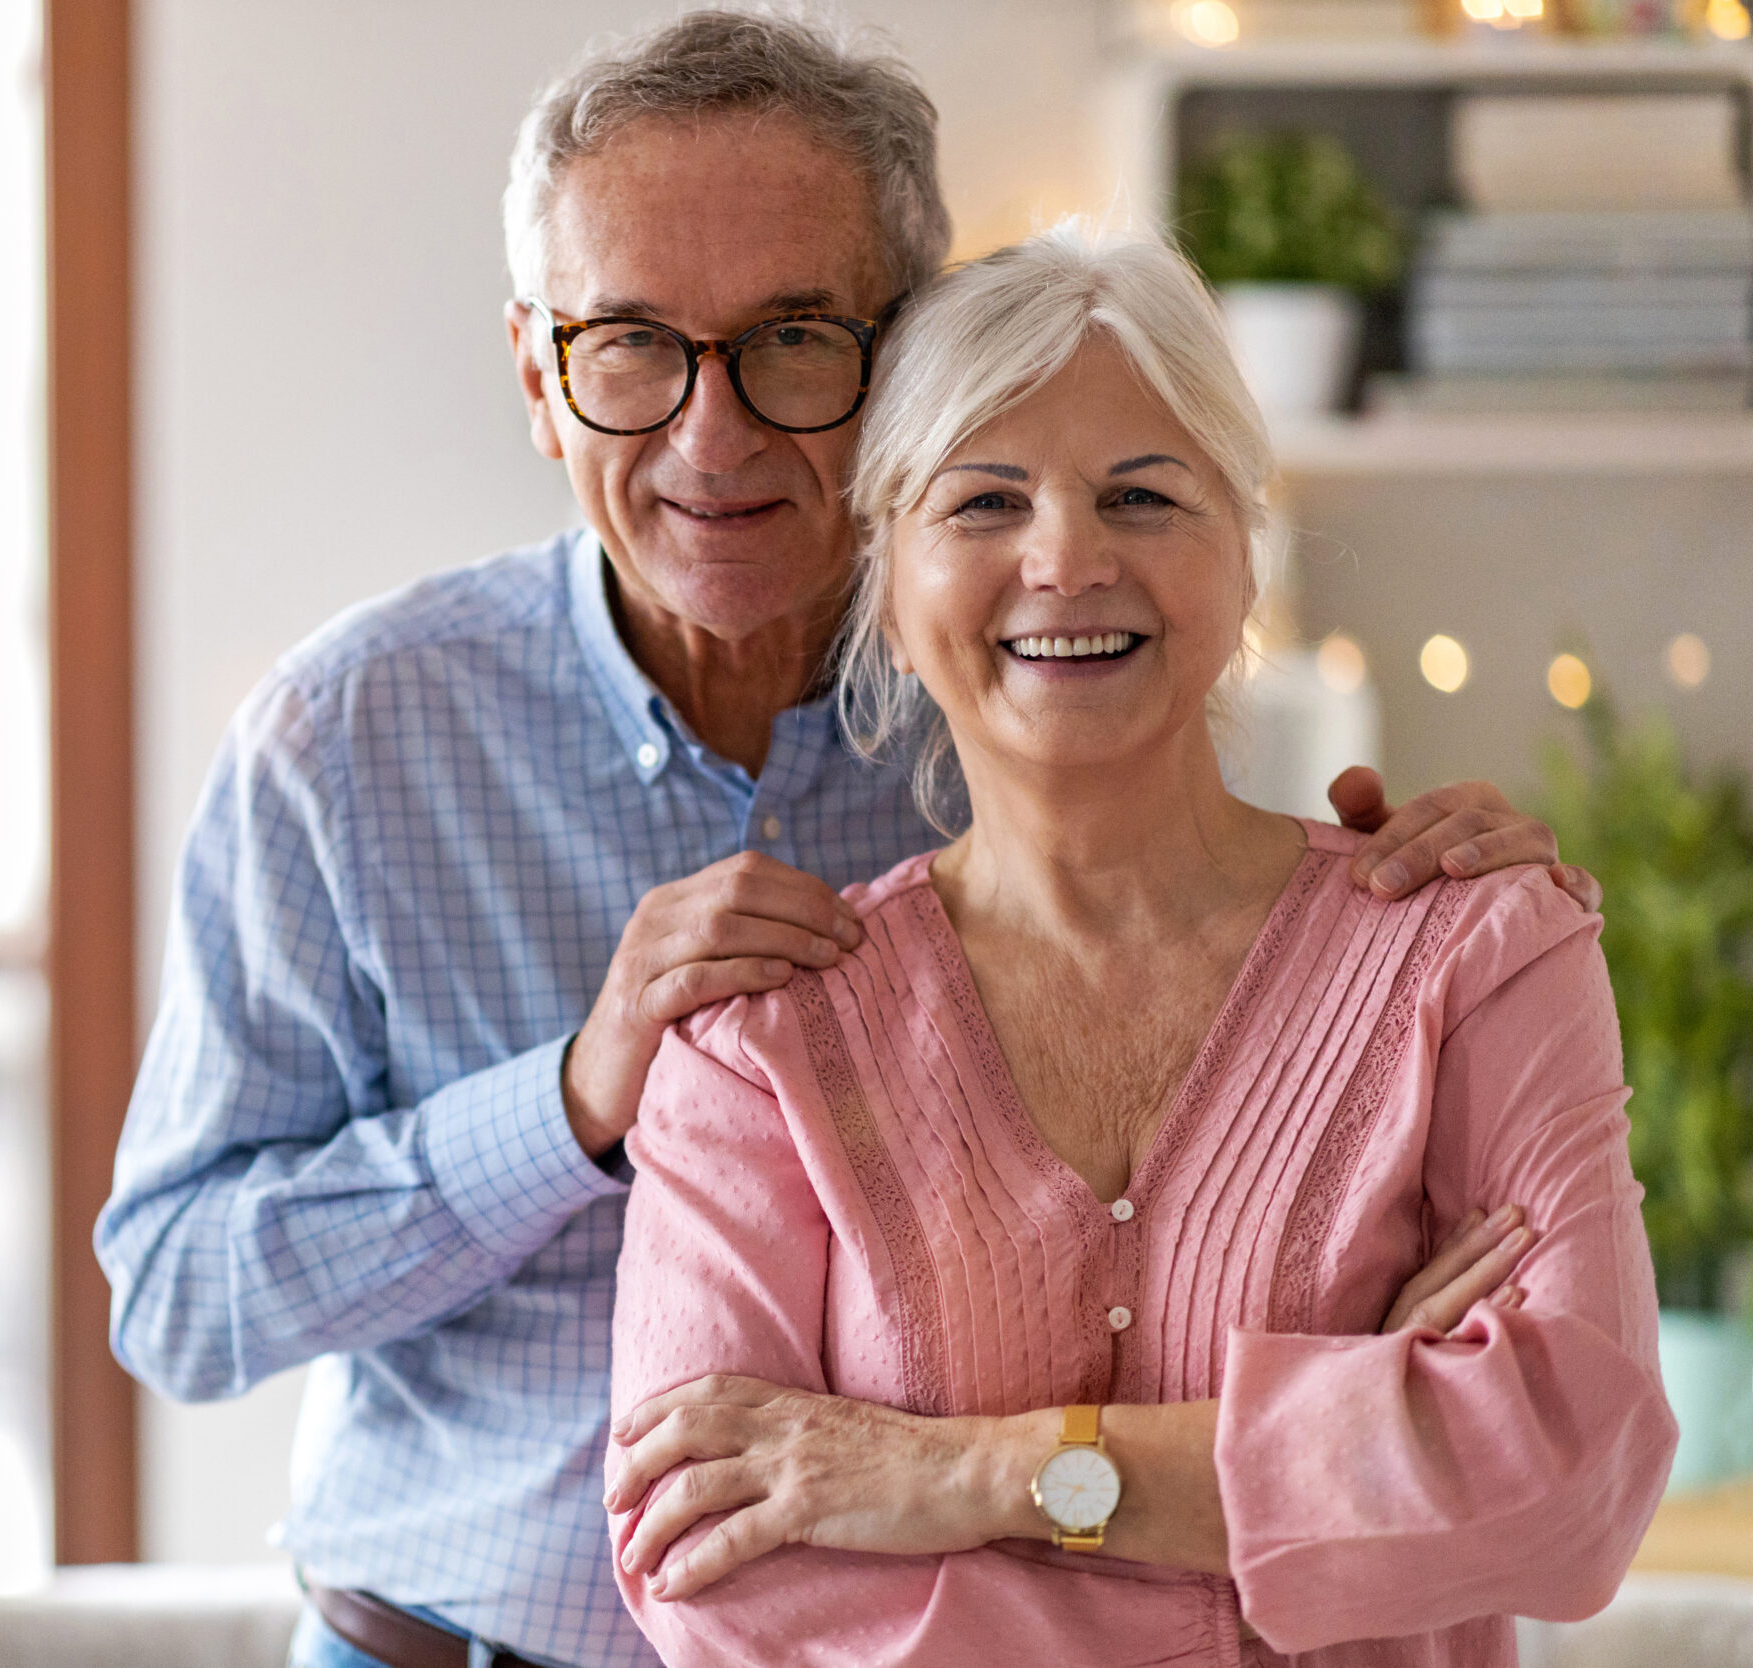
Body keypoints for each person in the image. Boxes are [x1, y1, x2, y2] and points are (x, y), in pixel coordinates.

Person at [98, 15, 1588, 1668]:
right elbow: (178, 1297)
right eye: (628, 346)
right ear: (539, 374)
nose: (711, 434)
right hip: (450, 1642)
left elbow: (1524, 1425)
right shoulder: (351, 740)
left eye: (794, 339)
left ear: (906, 366)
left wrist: (1432, 946)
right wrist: (574, 1100)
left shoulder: (1049, 696)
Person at [604, 226, 1675, 1667]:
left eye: (1141, 495)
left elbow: (1573, 1488)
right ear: (891, 588)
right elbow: (706, 1568)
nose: (1066, 557)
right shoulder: (756, 1040)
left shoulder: (1479, 951)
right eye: (985, 502)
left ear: (1243, 559)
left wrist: (962, 1479)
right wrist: (1331, 1467)